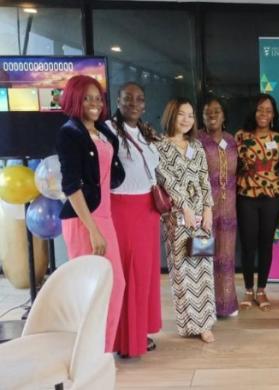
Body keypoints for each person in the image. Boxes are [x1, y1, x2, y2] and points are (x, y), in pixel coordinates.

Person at [56, 75, 126, 352]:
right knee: (91, 288)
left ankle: (100, 351)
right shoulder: (69, 133)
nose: (94, 103)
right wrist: (93, 230)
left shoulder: (102, 131)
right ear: (75, 99)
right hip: (85, 219)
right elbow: (71, 187)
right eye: (87, 97)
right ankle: (88, 353)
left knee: (113, 284)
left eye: (98, 97)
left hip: (104, 215)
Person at [106, 82, 162, 357]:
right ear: (117, 101)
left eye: (139, 99)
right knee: (128, 274)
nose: (133, 103)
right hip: (123, 210)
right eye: (127, 98)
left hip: (148, 210)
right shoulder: (108, 131)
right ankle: (125, 342)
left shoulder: (145, 131)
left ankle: (139, 332)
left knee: (145, 275)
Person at [156, 98, 216, 343]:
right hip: (176, 219)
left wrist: (208, 209)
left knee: (202, 268)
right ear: (171, 115)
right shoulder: (159, 146)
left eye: (191, 115)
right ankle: (187, 323)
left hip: (201, 219)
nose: (186, 119)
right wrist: (184, 207)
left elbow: (204, 179)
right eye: (181, 114)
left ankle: (205, 324)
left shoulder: (197, 146)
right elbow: (164, 179)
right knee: (182, 270)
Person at [235, 94, 279, 311]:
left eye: (268, 110)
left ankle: (261, 290)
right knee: (247, 244)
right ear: (253, 112)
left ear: (273, 115)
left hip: (272, 197)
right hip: (246, 195)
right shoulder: (240, 137)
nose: (264, 114)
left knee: (265, 244)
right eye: (260, 109)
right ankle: (247, 289)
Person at [196, 96, 239, 317]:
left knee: (226, 256)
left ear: (224, 116)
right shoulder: (196, 140)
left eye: (216, 111)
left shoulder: (232, 141)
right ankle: (203, 307)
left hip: (228, 209)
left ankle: (226, 304)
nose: (212, 114)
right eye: (207, 111)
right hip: (202, 210)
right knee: (202, 257)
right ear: (202, 117)